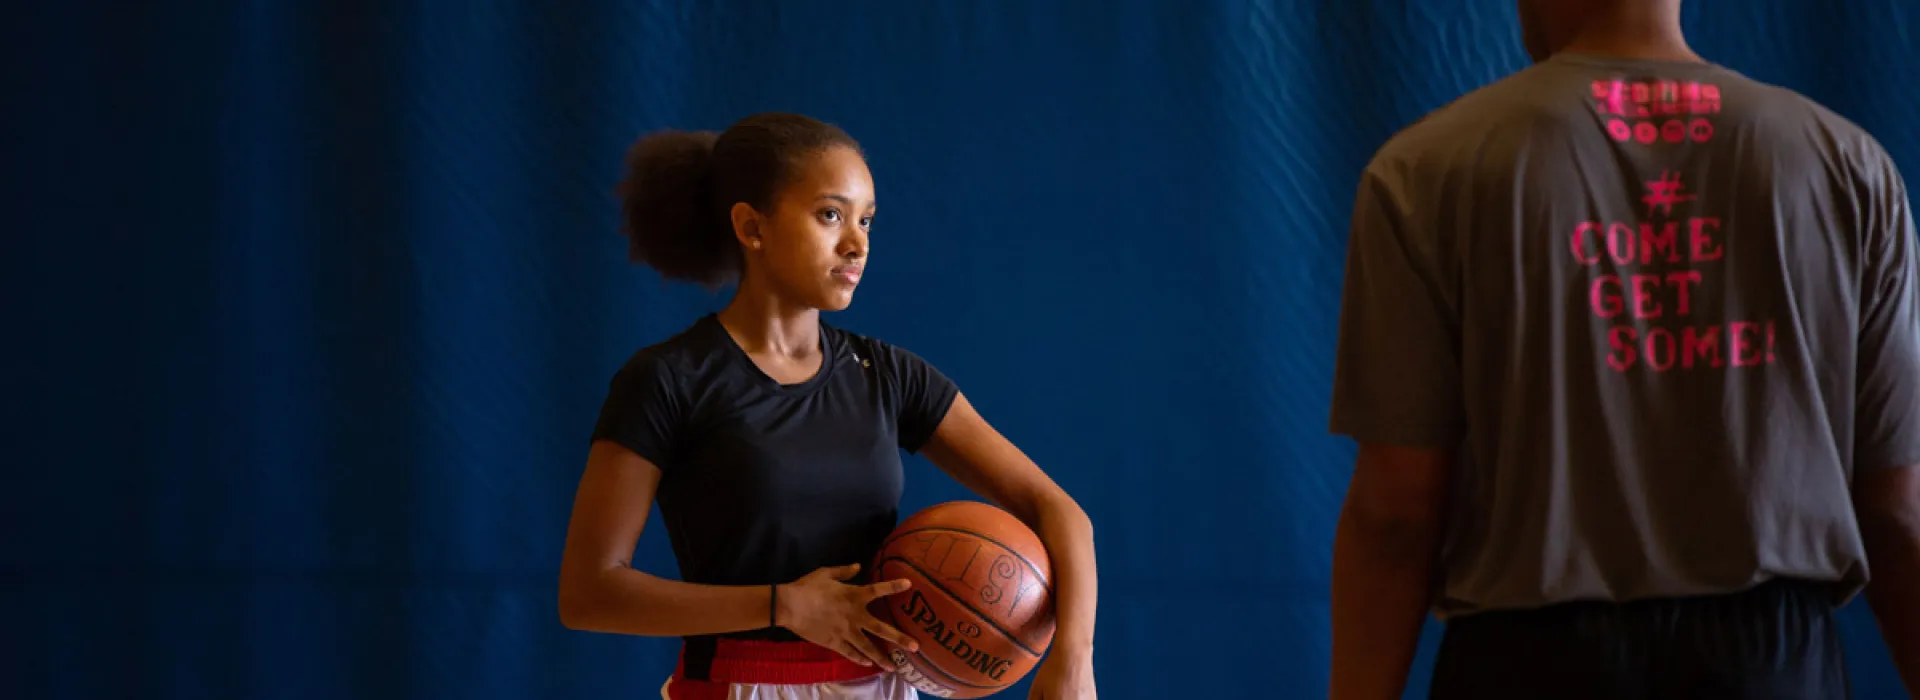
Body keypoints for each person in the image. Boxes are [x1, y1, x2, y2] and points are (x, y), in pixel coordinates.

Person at [1325, 1, 1920, 698]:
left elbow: (1399, 512)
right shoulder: (1845, 167)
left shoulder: (1427, 174)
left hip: (1528, 664)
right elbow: (1897, 513)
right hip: (1774, 666)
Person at [555, 112, 1098, 700]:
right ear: (751, 226)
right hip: (742, 684)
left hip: (884, 688)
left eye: (866, 220)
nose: (857, 242)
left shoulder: (889, 375)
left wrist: (1072, 658)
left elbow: (1058, 511)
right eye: (830, 214)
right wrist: (782, 604)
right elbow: (589, 594)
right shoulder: (668, 379)